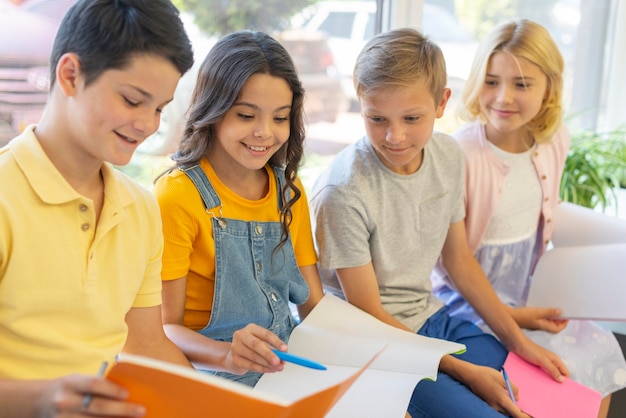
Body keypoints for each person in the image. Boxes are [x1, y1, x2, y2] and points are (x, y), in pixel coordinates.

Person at [310, 28, 569, 418]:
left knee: (536, 393)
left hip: (434, 318)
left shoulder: (448, 156)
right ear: (360, 103)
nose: (394, 136)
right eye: (376, 118)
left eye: (411, 118)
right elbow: (366, 314)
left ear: (442, 102)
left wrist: (518, 341)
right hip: (377, 343)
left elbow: (459, 261)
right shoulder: (343, 191)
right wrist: (461, 369)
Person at [0, 0, 195, 417]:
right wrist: (43, 401)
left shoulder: (140, 207)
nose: (147, 124)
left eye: (159, 107)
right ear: (70, 75)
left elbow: (146, 344)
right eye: (132, 99)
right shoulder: (4, 198)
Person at [430, 19, 626, 418]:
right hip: (468, 304)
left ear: (549, 87)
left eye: (521, 84)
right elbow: (453, 265)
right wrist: (515, 321)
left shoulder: (556, 140)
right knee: (542, 379)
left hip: (529, 293)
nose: (503, 97)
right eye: (491, 80)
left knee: (602, 349)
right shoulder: (459, 154)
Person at [154, 30, 325, 388]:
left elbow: (314, 307)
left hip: (285, 365)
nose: (264, 132)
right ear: (213, 110)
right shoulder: (177, 196)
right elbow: (164, 328)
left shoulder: (288, 192)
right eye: (246, 115)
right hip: (213, 371)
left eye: (280, 118)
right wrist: (228, 355)